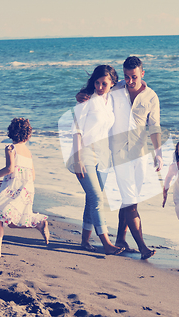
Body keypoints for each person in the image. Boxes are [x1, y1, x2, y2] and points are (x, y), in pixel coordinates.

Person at [77, 56, 162, 260]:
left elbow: (154, 126)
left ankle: (121, 240)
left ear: (142, 73)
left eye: (134, 77)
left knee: (131, 201)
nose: (130, 81)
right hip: (117, 153)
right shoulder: (117, 88)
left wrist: (158, 153)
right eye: (127, 76)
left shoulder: (151, 97)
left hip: (140, 153)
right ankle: (142, 246)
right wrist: (81, 94)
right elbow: (97, 88)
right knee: (129, 200)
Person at [70, 65, 124, 255]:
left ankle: (85, 241)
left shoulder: (111, 99)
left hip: (103, 155)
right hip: (84, 153)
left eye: (104, 83)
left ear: (112, 84)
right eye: (97, 82)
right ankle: (106, 242)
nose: (100, 86)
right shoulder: (86, 101)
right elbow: (76, 131)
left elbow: (130, 83)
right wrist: (77, 160)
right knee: (97, 198)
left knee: (91, 199)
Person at [0, 118, 49, 257]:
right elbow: (31, 176)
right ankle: (38, 224)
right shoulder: (28, 152)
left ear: (11, 133)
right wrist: (10, 182)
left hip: (14, 188)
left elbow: (10, 169)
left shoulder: (11, 148)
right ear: (28, 135)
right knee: (12, 221)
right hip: (26, 189)